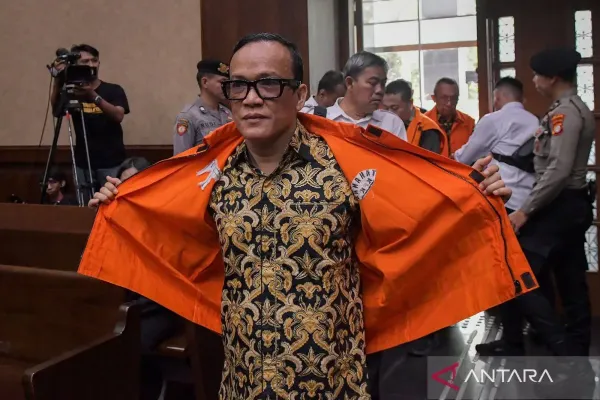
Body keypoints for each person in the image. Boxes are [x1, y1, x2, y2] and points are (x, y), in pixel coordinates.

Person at [82, 33, 536, 400]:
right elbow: (171, 235)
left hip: (330, 379)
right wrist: (118, 203)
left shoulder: (346, 165)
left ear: (299, 95)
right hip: (243, 376)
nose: (251, 99)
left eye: (269, 84)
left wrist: (479, 194)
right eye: (238, 85)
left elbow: (422, 217)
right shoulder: (213, 173)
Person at [478, 48, 595, 361]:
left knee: (517, 273)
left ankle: (564, 348)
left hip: (560, 206)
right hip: (566, 204)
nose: (533, 81)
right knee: (570, 281)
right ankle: (569, 352)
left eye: (537, 75)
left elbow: (558, 170)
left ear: (552, 78)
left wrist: (525, 211)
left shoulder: (566, 114)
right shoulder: (566, 108)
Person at [50, 44, 130, 195]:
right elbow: (57, 111)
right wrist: (58, 81)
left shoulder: (113, 90)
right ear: (75, 66)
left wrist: (92, 95)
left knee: (113, 203)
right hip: (83, 163)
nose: (91, 65)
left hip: (111, 162)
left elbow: (118, 116)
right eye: (85, 62)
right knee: (87, 206)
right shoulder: (72, 91)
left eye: (94, 60)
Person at [455, 77, 539, 213]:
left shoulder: (493, 119)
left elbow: (465, 157)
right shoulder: (535, 120)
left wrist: (453, 156)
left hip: (502, 198)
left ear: (498, 97)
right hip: (529, 201)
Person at [306, 51, 407, 140]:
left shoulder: (391, 124)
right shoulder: (317, 120)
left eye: (383, 84)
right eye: (372, 83)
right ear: (350, 83)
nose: (380, 90)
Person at [173, 60, 232, 155]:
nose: (227, 87)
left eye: (228, 83)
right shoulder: (188, 117)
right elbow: (181, 158)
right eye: (222, 82)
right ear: (205, 82)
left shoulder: (227, 113)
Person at [381, 79, 448, 155]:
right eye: (386, 108)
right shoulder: (385, 123)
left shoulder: (428, 130)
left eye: (394, 108)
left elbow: (427, 161)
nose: (389, 113)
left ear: (410, 103)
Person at [425, 77, 475, 156]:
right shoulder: (423, 123)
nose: (449, 103)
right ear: (434, 98)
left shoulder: (469, 123)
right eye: (444, 98)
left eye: (453, 98)